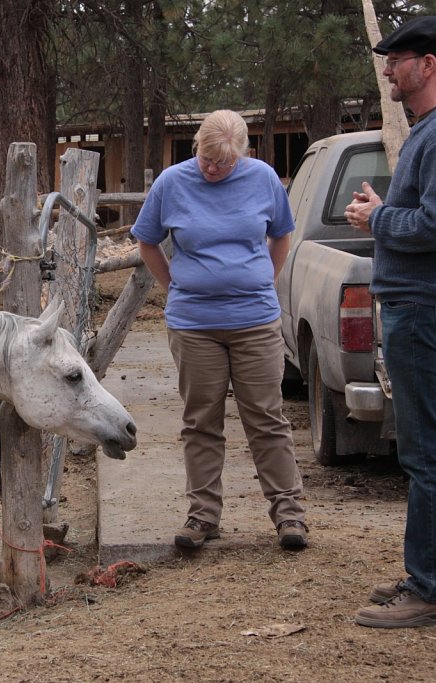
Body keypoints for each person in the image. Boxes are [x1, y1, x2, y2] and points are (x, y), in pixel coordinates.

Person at [345, 16, 436, 629]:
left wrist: (378, 223)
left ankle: (435, 594)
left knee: (428, 452)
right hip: (421, 306)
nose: (387, 69)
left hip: (424, 310)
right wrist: (384, 209)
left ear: (427, 65)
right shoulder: (435, 131)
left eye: (396, 59)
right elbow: (428, 215)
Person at [131, 109, 308, 552]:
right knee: (201, 421)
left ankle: (289, 515)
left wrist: (265, 278)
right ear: (197, 148)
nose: (212, 168)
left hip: (255, 322)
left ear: (242, 155)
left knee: (266, 418)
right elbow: (147, 240)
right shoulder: (171, 183)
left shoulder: (264, 179)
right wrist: (173, 286)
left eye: (223, 163)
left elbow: (281, 234)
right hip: (195, 325)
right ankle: (203, 516)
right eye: (206, 158)